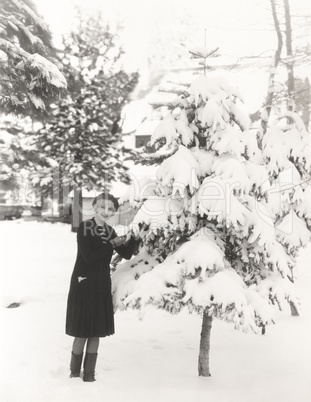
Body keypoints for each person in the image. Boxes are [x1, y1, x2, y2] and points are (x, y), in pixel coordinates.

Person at [65, 192, 137, 382]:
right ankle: (74, 372)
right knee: (82, 331)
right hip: (83, 283)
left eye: (111, 209)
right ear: (95, 207)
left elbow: (127, 253)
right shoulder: (85, 227)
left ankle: (89, 374)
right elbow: (88, 257)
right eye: (103, 208)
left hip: (101, 284)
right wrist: (111, 243)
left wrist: (136, 236)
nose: (107, 212)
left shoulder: (110, 230)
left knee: (96, 331)